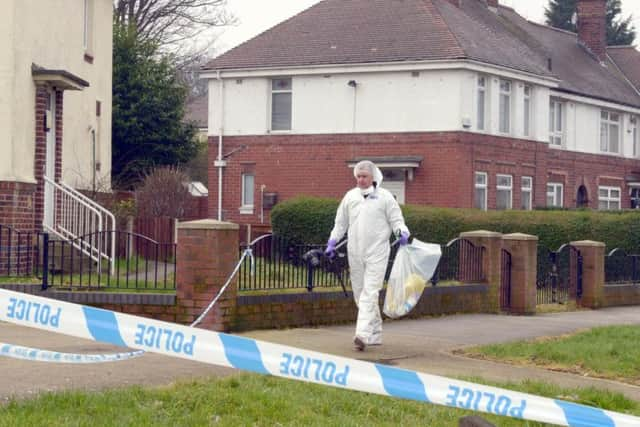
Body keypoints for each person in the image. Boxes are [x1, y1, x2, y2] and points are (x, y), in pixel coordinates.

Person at [325, 160, 410, 351]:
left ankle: (362, 335)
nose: (361, 180)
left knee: (369, 293)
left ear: (373, 177)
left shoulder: (385, 197)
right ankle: (376, 332)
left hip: (377, 252)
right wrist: (332, 241)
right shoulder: (350, 197)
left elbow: (396, 220)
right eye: (358, 176)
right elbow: (340, 223)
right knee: (360, 293)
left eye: (365, 177)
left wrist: (402, 232)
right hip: (355, 252)